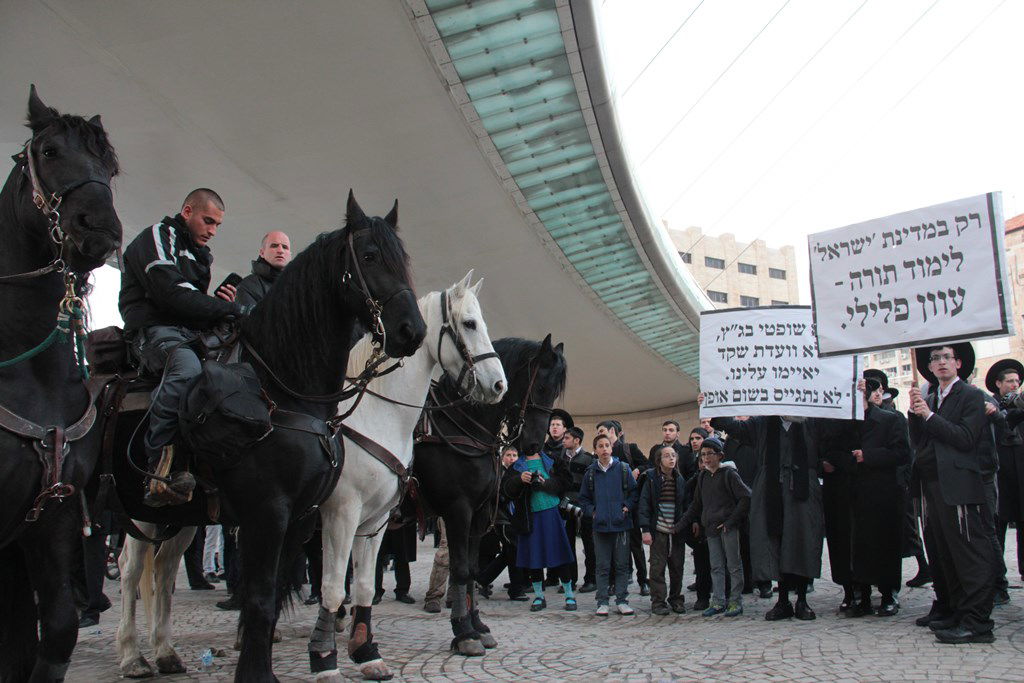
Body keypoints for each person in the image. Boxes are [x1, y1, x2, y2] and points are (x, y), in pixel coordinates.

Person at [119, 188, 245, 506]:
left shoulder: (201, 256)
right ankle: (158, 469)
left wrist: (215, 303)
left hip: (186, 334)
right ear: (187, 211)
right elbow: (171, 295)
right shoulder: (158, 235)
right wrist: (227, 309)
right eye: (208, 221)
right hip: (152, 332)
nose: (212, 231)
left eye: (217, 225)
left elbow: (191, 304)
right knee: (187, 368)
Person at [909, 343, 998, 644]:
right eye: (935, 359)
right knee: (944, 555)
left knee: (969, 555)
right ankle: (958, 611)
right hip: (932, 486)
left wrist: (929, 416)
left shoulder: (971, 395)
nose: (941, 362)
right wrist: (915, 414)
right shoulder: (932, 397)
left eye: (947, 357)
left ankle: (978, 623)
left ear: (958, 363)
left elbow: (965, 438)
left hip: (959, 486)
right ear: (930, 367)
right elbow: (920, 442)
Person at [706, 398, 825, 622]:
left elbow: (837, 429)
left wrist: (855, 397)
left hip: (802, 491)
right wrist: (713, 402)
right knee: (775, 541)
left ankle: (802, 600)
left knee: (802, 540)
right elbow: (733, 427)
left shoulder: (812, 422)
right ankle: (782, 601)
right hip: (771, 490)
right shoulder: (762, 424)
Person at [843, 376, 912, 617]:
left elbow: (902, 453)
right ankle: (862, 596)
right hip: (854, 492)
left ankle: (888, 594)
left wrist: (869, 456)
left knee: (886, 544)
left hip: (883, 492)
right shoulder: (846, 423)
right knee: (859, 547)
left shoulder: (890, 419)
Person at [502, 436, 577, 612]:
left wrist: (546, 483)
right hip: (529, 517)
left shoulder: (552, 460)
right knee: (534, 557)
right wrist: (519, 479)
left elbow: (566, 481)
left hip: (552, 514)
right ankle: (539, 596)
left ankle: (569, 594)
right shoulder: (516, 466)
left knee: (560, 555)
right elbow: (505, 490)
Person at [679, 437, 751, 617]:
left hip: (728, 528)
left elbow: (746, 497)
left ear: (720, 455)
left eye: (709, 454)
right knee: (716, 566)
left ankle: (735, 601)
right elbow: (696, 504)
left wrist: (731, 521)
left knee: (733, 566)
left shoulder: (729, 474)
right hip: (710, 528)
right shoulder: (703, 476)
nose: (706, 458)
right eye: (703, 455)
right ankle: (718, 601)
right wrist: (681, 524)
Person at [579, 433, 639, 616]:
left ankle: (622, 600)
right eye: (600, 446)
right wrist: (593, 512)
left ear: (611, 448)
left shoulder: (623, 469)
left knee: (622, 565)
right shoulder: (590, 473)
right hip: (600, 526)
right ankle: (602, 601)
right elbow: (584, 499)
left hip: (621, 525)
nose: (604, 449)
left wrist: (626, 507)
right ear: (595, 450)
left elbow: (634, 493)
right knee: (602, 566)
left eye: (607, 445)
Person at [595, 421, 650, 595]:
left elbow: (647, 464)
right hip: (610, 508)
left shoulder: (629, 448)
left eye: (602, 431)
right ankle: (613, 583)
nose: (600, 435)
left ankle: (643, 581)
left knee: (635, 545)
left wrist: (637, 470)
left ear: (612, 431)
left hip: (629, 506)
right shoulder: (598, 460)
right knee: (612, 547)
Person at [986, 359, 1024, 589]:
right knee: (997, 526)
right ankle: (998, 579)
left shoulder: (1021, 406)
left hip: (1021, 474)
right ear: (998, 384)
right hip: (1000, 475)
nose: (1014, 385)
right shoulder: (991, 406)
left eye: (1017, 381)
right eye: (1009, 381)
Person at [638, 445, 689, 615]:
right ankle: (658, 602)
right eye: (667, 456)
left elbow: (685, 505)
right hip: (658, 530)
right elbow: (644, 504)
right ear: (659, 460)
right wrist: (645, 529)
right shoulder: (651, 479)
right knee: (657, 568)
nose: (671, 458)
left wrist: (683, 525)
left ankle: (676, 599)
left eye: (673, 455)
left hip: (676, 531)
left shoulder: (680, 479)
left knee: (677, 567)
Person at [478, 445, 528, 601]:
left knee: (509, 552)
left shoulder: (519, 471)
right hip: (503, 518)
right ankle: (516, 590)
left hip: (515, 518)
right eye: (508, 455)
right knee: (514, 551)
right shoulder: (498, 472)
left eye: (514, 455)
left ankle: (483, 579)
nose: (512, 458)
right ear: (502, 457)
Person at [561, 426, 596, 592]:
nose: (563, 441)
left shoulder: (589, 459)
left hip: (584, 508)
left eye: (567, 438)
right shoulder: (560, 458)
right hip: (565, 508)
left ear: (577, 440)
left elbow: (592, 485)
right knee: (567, 545)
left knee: (589, 545)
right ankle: (569, 580)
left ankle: (591, 580)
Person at [235, 231, 291, 308]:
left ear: (290, 255)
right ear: (262, 253)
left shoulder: (299, 286)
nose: (280, 250)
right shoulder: (247, 286)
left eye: (285, 247)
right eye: (274, 246)